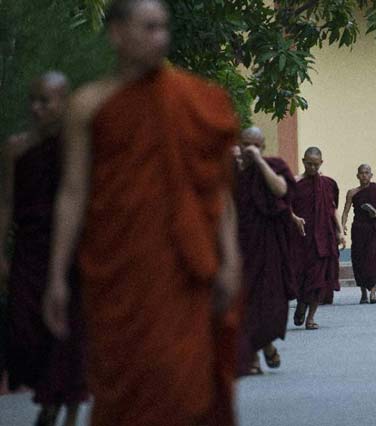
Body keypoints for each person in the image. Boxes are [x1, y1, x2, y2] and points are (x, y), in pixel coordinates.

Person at [42, 1, 242, 425]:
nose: (160, 38)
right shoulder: (89, 105)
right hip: (119, 272)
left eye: (163, 28)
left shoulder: (192, 100)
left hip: (181, 268)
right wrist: (57, 275)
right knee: (124, 386)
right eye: (148, 28)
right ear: (117, 33)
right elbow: (73, 192)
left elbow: (216, 191)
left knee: (184, 384)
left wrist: (230, 259)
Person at [1, 72, 88, 426]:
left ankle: (66, 407)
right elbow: (6, 203)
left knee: (69, 331)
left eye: (46, 101)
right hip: (30, 248)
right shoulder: (16, 147)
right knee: (24, 330)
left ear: (64, 103)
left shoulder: (80, 148)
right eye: (33, 100)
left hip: (74, 250)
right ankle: (52, 395)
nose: (37, 108)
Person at [235, 127, 297, 374]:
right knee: (242, 302)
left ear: (262, 147)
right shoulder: (230, 170)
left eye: (255, 146)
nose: (249, 149)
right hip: (240, 246)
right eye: (246, 144)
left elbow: (281, 190)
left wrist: (259, 162)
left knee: (267, 303)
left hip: (268, 247)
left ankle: (265, 344)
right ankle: (253, 355)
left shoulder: (274, 165)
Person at [291, 147, 345, 330]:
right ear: (303, 161)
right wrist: (294, 218)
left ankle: (311, 318)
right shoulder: (295, 184)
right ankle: (301, 303)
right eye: (309, 164)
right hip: (301, 239)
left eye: (316, 164)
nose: (312, 168)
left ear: (321, 163)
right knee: (301, 276)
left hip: (324, 237)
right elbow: (285, 207)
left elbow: (332, 209)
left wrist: (340, 231)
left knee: (319, 278)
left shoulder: (328, 184)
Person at [341, 164, 376, 303]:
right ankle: (363, 294)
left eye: (367, 173)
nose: (364, 175)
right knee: (360, 260)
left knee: (374, 259)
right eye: (362, 173)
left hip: (375, 228)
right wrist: (342, 226)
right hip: (360, 229)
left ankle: (373, 293)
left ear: (371, 175)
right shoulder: (352, 192)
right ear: (357, 175)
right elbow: (346, 211)